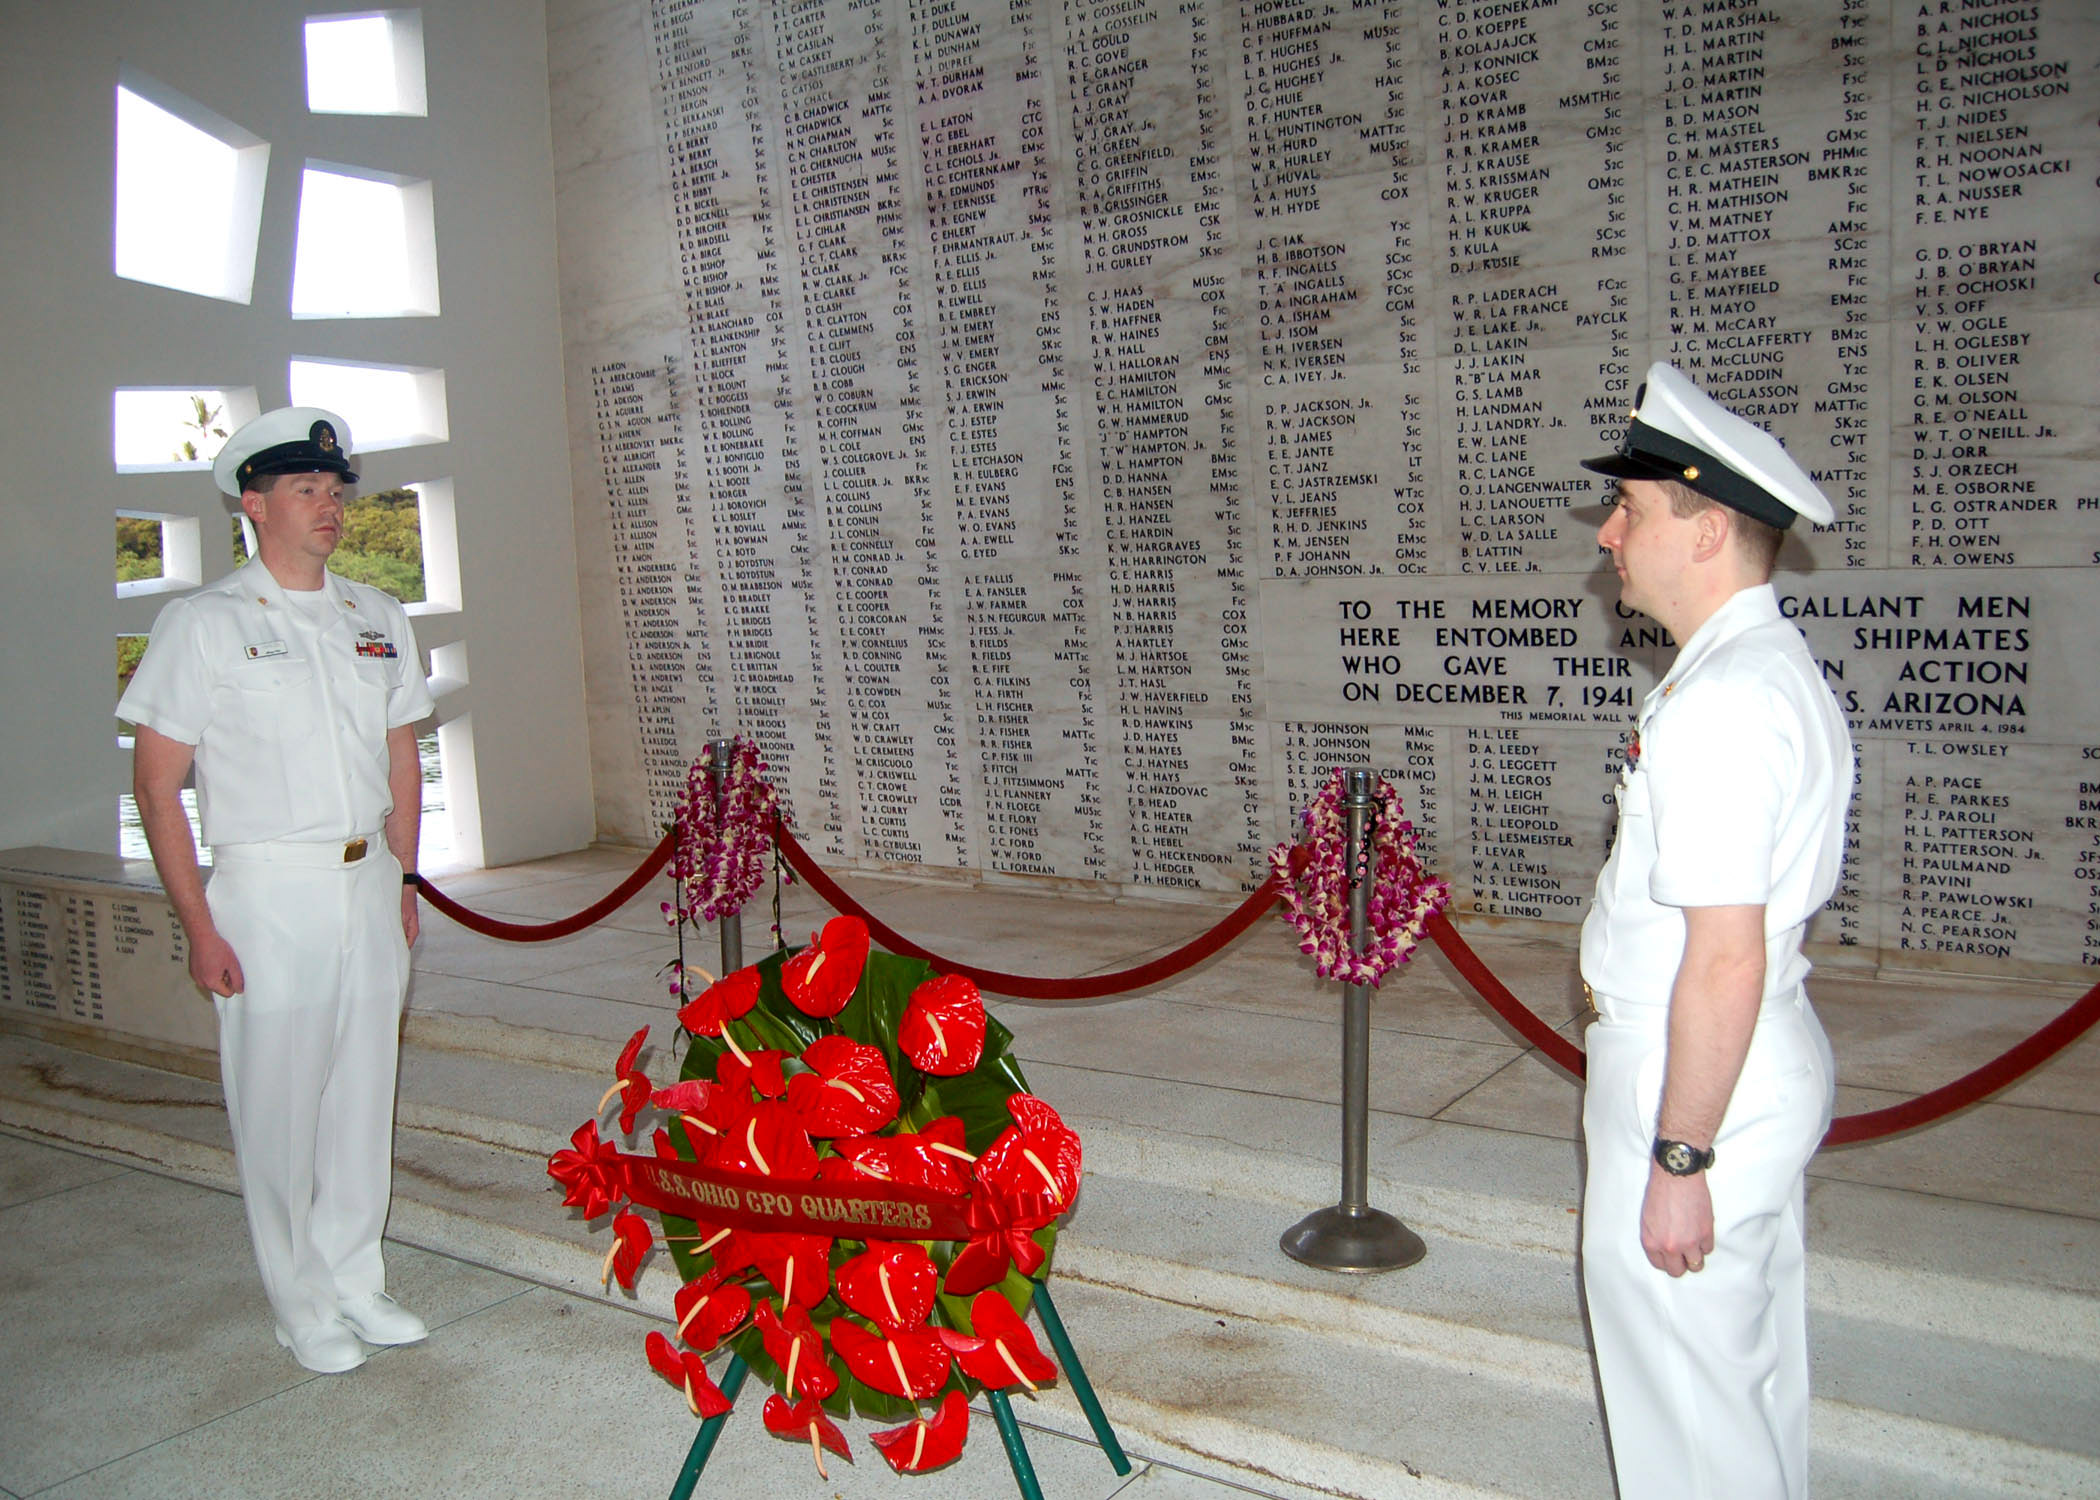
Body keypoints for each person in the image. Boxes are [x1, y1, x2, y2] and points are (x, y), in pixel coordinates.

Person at [1575, 363, 1853, 1499]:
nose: (1607, 534)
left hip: (1694, 1086)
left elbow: (1724, 954)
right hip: (1724, 1066)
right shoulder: (1740, 673)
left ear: (1706, 527)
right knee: (1736, 1394)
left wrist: (1679, 1160)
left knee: (1692, 1421)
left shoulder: (1730, 702)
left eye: (1632, 508)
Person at [120, 406, 435, 1374]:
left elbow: (400, 755)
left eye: (336, 490)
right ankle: (299, 1304)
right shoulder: (204, 624)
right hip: (268, 892)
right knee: (278, 1104)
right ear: (253, 504)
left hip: (365, 878)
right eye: (306, 489)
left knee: (359, 1096)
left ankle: (355, 1279)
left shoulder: (374, 616)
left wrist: (406, 876)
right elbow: (156, 782)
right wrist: (198, 922)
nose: (329, 505)